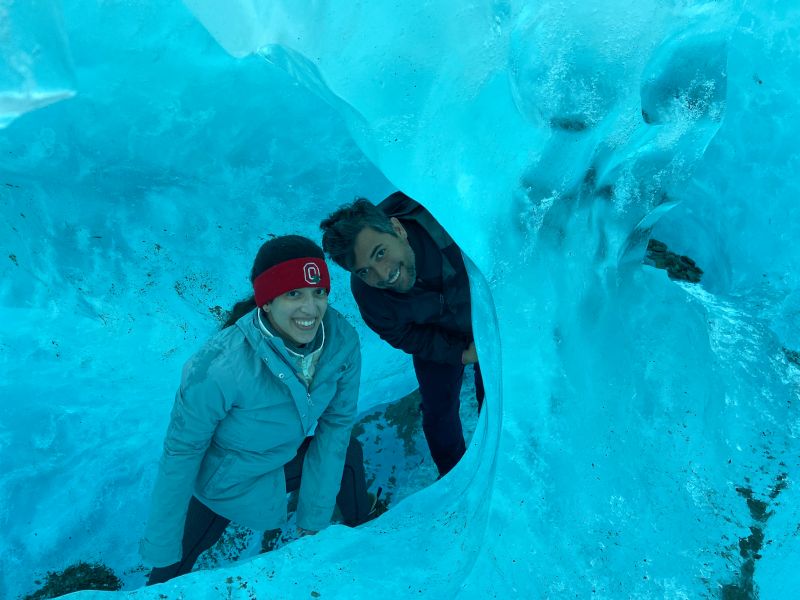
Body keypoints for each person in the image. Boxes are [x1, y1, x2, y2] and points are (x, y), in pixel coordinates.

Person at [140, 235, 372, 584]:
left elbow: (336, 425)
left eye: (319, 292)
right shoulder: (218, 366)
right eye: (294, 294)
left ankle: (363, 542)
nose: (311, 309)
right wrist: (161, 546)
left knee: (348, 452)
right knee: (175, 563)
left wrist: (314, 523)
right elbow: (182, 452)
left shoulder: (341, 341)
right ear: (267, 301)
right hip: (226, 479)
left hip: (281, 457)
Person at [320, 193, 484, 478]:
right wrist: (458, 353)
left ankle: (501, 452)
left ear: (397, 229)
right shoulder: (369, 294)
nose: (383, 274)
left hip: (487, 318)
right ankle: (455, 479)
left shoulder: (450, 228)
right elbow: (401, 334)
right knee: (438, 412)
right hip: (436, 336)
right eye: (365, 271)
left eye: (380, 253)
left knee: (497, 390)